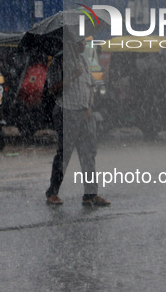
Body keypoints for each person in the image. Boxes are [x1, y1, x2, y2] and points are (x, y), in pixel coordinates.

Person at [45, 36, 110, 206]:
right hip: (67, 112)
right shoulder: (59, 61)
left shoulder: (83, 60)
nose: (84, 44)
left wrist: (89, 106)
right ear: (71, 43)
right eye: (81, 42)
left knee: (88, 153)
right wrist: (72, 76)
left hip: (84, 113)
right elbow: (52, 88)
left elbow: (91, 85)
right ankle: (52, 193)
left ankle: (90, 194)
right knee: (64, 154)